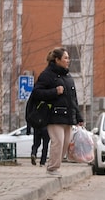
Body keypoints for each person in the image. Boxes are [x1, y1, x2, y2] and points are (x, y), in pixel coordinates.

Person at [32, 47, 85, 177]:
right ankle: (52, 168)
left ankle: (55, 167)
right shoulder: (47, 75)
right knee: (58, 141)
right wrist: (54, 91)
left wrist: (78, 117)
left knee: (65, 144)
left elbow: (73, 99)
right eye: (65, 58)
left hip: (68, 117)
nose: (68, 60)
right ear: (57, 60)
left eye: (68, 58)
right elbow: (36, 93)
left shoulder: (68, 76)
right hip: (53, 116)